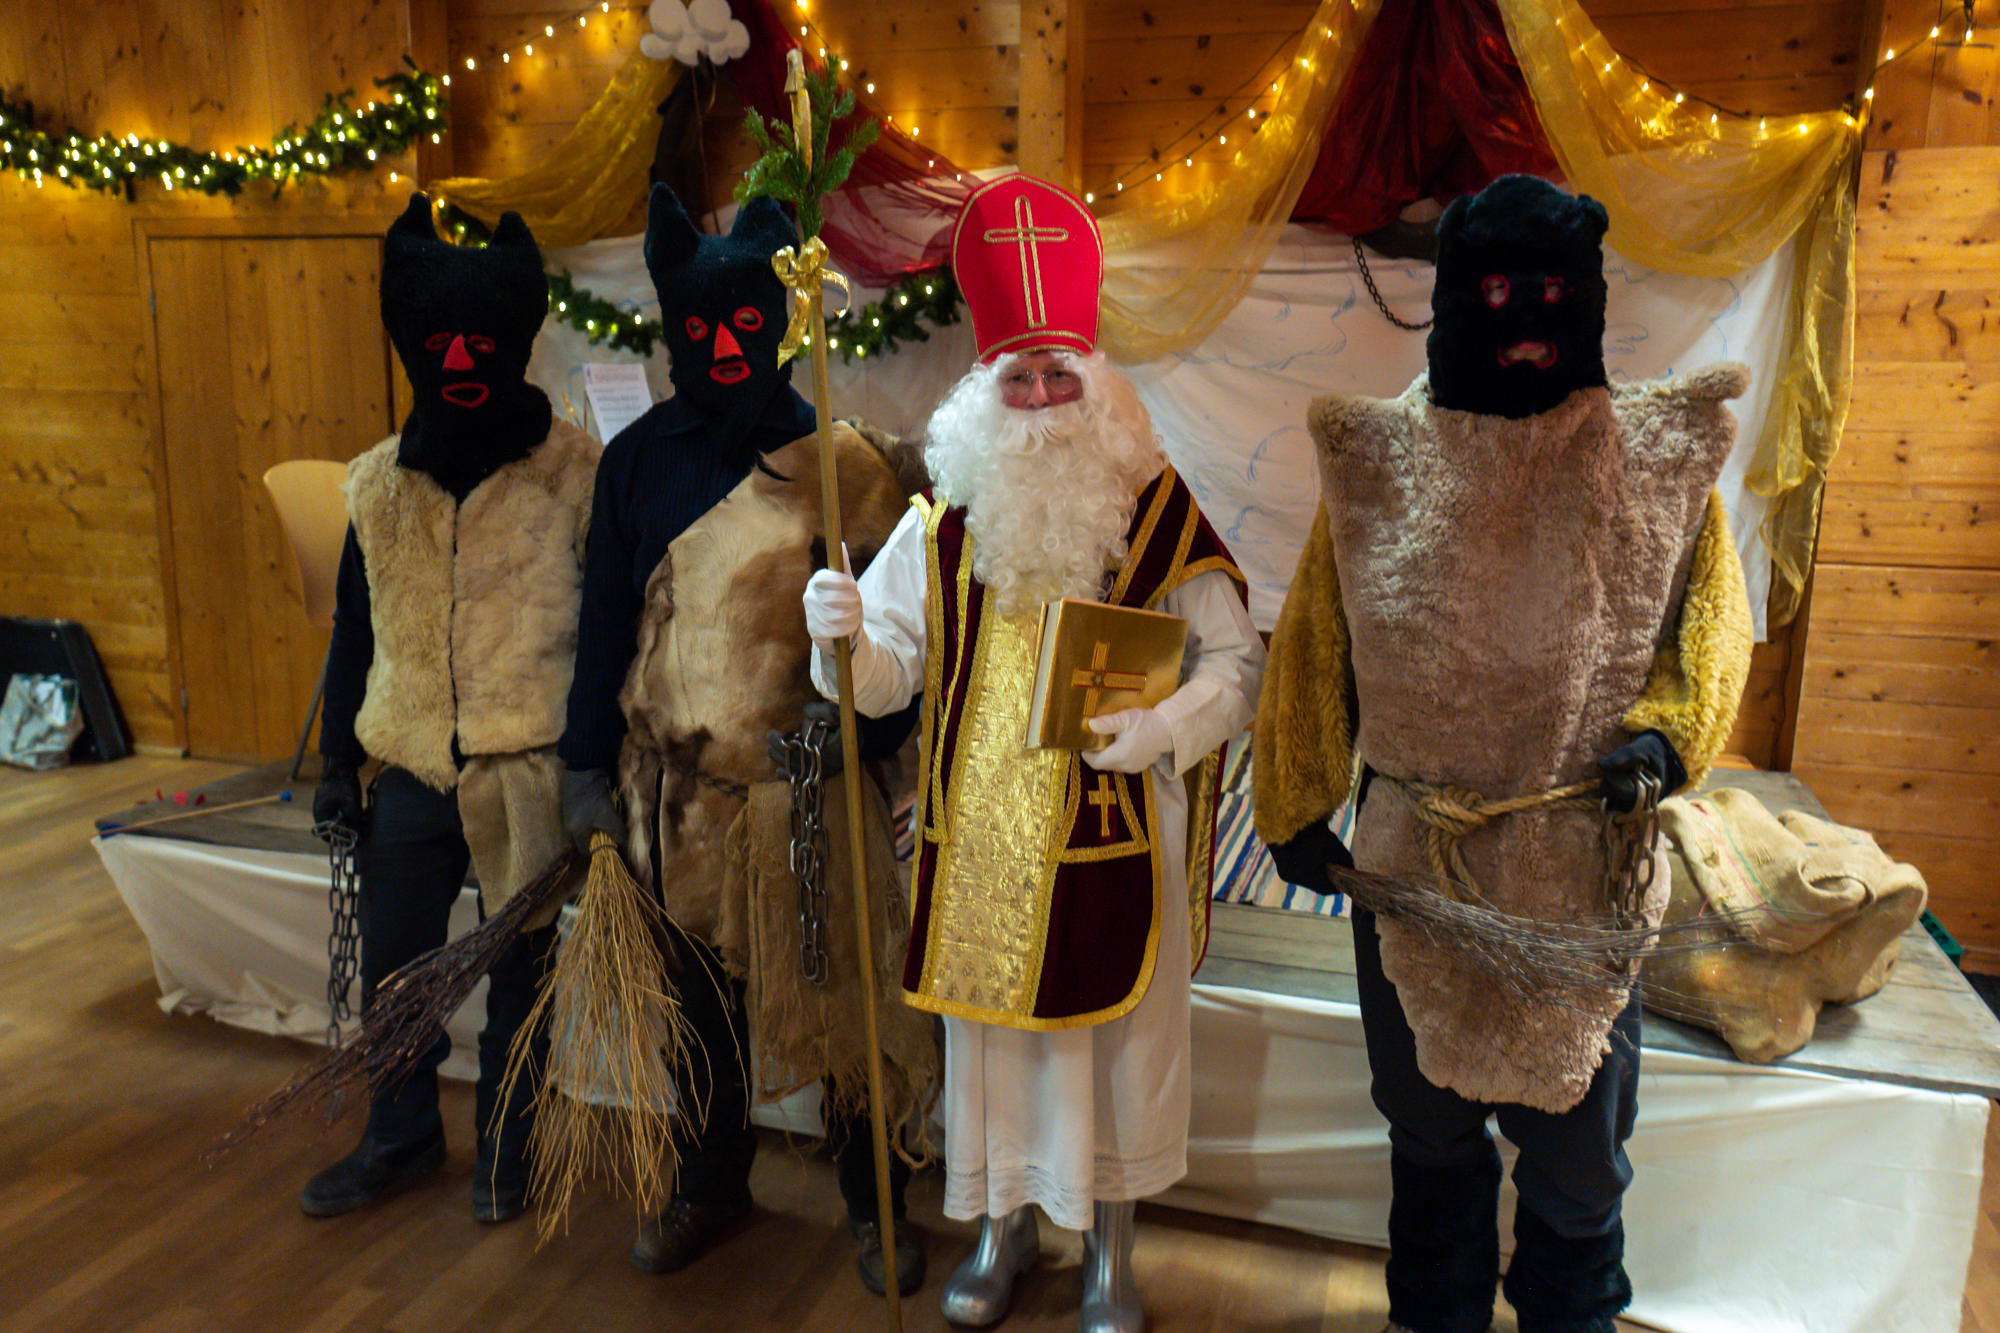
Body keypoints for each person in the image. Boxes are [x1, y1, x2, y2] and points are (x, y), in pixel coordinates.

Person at [1255, 175, 1754, 1333]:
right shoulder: (1379, 466)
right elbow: (1316, 637)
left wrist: (1665, 739)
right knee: (1427, 1129)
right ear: (1453, 299)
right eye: (1495, 296)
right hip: (1418, 865)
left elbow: (1710, 624)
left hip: (1581, 867)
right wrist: (1291, 797)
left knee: (1577, 1154)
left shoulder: (1652, 461)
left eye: (1549, 295)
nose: (1525, 325)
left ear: (1583, 297)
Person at [802, 175, 1265, 1333]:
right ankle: (1000, 1232)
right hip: (978, 852)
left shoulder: (1157, 510)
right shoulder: (941, 519)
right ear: (985, 391)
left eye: (1062, 373)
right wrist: (839, 639)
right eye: (1021, 377)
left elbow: (1234, 666)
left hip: (1116, 832)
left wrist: (1160, 730)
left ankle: (1109, 1252)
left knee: (1115, 1055)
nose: (1045, 397)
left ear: (1096, 381)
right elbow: (887, 678)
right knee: (991, 1058)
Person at [557, 184, 933, 1294]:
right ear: (676, 329)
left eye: (743, 326)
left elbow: (899, 630)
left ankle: (874, 1201)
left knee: (847, 1006)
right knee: (697, 1010)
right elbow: (603, 623)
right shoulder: (635, 464)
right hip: (677, 797)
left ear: (778, 324)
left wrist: (874, 737)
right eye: (701, 328)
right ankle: (712, 1182)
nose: (724, 348)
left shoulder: (846, 463)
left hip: (810, 789)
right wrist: (583, 766)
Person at [302, 194, 599, 1225]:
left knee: (522, 969)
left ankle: (511, 1146)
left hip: (530, 759)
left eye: (482, 342)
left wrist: (594, 762)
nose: (463, 361)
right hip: (414, 758)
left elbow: (607, 626)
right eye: (440, 345)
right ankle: (400, 1133)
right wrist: (336, 765)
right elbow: (354, 629)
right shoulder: (378, 487)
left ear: (514, 340)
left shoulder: (576, 476)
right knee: (396, 968)